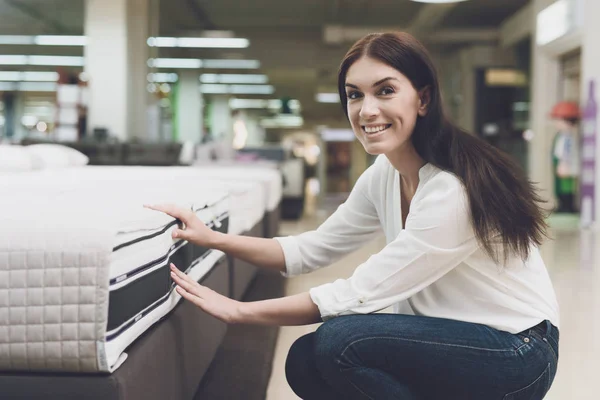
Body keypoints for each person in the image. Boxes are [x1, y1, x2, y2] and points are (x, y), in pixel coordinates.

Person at [146, 32, 559, 400]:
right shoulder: (385, 174)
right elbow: (311, 249)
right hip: (452, 339)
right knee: (305, 361)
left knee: (340, 341)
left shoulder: (452, 189)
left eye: (385, 91)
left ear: (424, 98)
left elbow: (359, 294)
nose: (366, 110)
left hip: (517, 351)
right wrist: (212, 237)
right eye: (355, 94)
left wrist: (240, 312)